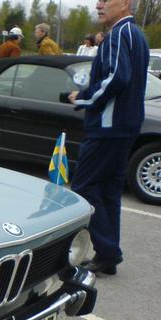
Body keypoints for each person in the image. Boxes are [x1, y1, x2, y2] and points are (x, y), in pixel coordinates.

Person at [68, 0, 149, 275]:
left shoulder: (118, 34)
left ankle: (109, 250)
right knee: (108, 191)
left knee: (83, 186)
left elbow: (117, 78)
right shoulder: (136, 35)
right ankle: (107, 255)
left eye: (105, 0)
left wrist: (83, 97)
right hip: (125, 126)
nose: (98, 5)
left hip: (108, 126)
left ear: (125, 3)